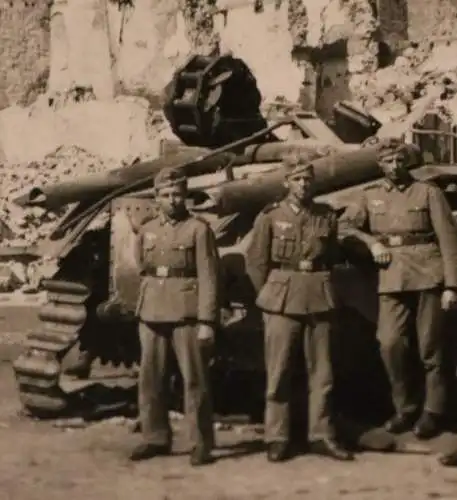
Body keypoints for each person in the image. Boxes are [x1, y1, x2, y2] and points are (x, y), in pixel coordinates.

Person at [338, 137, 457, 439]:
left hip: (430, 274)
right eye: (388, 161)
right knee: (390, 343)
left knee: (432, 348)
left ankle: (434, 412)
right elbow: (345, 227)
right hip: (390, 277)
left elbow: (448, 240)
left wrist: (451, 285)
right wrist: (372, 241)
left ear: (406, 162)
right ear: (380, 165)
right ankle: (405, 407)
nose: (394, 166)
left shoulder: (428, 192)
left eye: (399, 160)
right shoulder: (370, 195)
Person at [245, 151, 354, 463]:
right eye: (297, 179)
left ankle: (321, 435)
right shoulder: (270, 216)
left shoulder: (325, 216)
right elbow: (256, 262)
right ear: (286, 182)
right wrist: (269, 294)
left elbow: (331, 256)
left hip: (319, 295)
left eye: (308, 179)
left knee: (323, 373)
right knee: (278, 372)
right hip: (281, 298)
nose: (303, 184)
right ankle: (277, 437)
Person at [129, 166, 219, 466]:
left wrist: (207, 320)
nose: (172, 200)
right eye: (166, 195)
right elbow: (143, 267)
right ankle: (154, 437)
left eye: (178, 194)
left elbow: (209, 276)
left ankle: (201, 443)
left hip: (187, 312)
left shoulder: (198, 229)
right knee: (150, 378)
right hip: (153, 309)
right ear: (157, 198)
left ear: (186, 196)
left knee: (194, 379)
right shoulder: (148, 229)